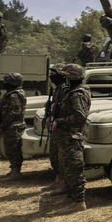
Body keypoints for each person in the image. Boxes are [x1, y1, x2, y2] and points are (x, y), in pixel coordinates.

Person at [52, 64, 92, 214]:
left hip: (72, 137)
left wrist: (60, 121)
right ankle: (71, 196)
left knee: (74, 170)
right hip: (66, 137)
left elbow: (79, 117)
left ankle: (78, 202)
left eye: (66, 77)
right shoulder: (71, 92)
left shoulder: (78, 94)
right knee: (66, 168)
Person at [42, 65, 69, 194]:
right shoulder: (57, 89)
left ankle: (63, 183)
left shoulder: (65, 89)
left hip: (62, 126)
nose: (51, 75)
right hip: (56, 126)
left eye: (54, 73)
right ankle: (58, 180)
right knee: (55, 156)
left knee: (61, 157)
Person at [0, 73, 27, 181]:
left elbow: (12, 114)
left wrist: (1, 126)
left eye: (7, 81)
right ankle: (13, 171)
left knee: (13, 150)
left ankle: (16, 172)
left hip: (13, 127)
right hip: (11, 126)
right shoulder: (12, 93)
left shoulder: (14, 95)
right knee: (10, 149)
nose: (4, 83)